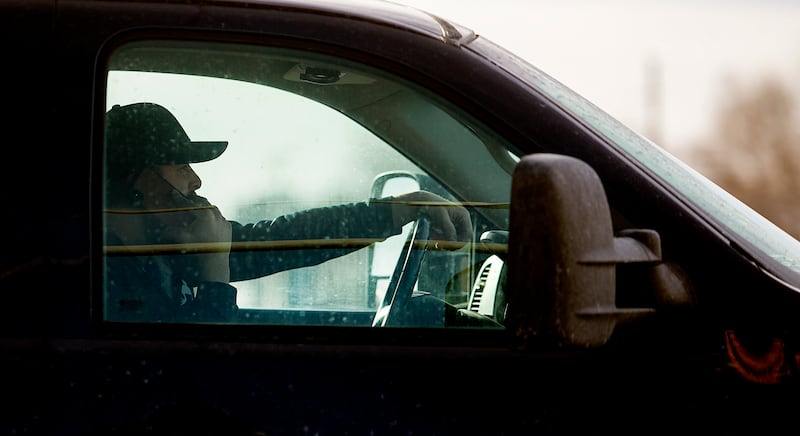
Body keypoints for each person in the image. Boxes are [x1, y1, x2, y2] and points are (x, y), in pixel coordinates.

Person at [103, 102, 472, 323]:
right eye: (180, 166)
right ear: (139, 178)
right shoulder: (108, 276)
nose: (195, 181)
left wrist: (400, 209)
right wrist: (215, 273)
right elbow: (196, 378)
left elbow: (284, 237)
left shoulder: (164, 249)